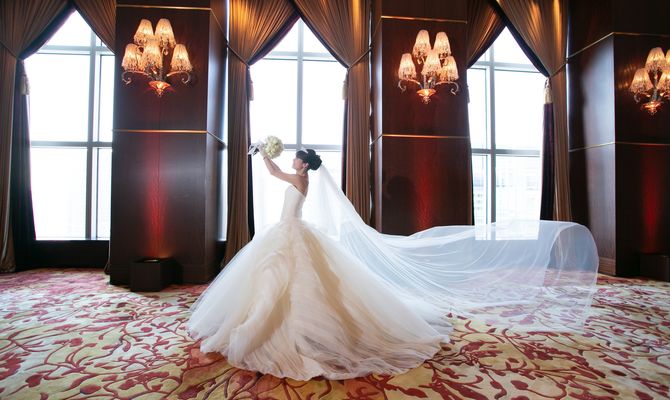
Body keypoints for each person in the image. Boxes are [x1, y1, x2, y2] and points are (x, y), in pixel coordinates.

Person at [187, 148, 599, 381]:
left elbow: (276, 173)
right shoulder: (302, 178)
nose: (293, 163)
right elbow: (278, 172)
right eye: (293, 160)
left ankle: (296, 332)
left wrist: (262, 153)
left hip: (290, 233)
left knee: (292, 282)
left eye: (296, 159)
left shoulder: (299, 179)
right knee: (279, 281)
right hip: (287, 233)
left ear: (304, 166)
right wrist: (262, 153)